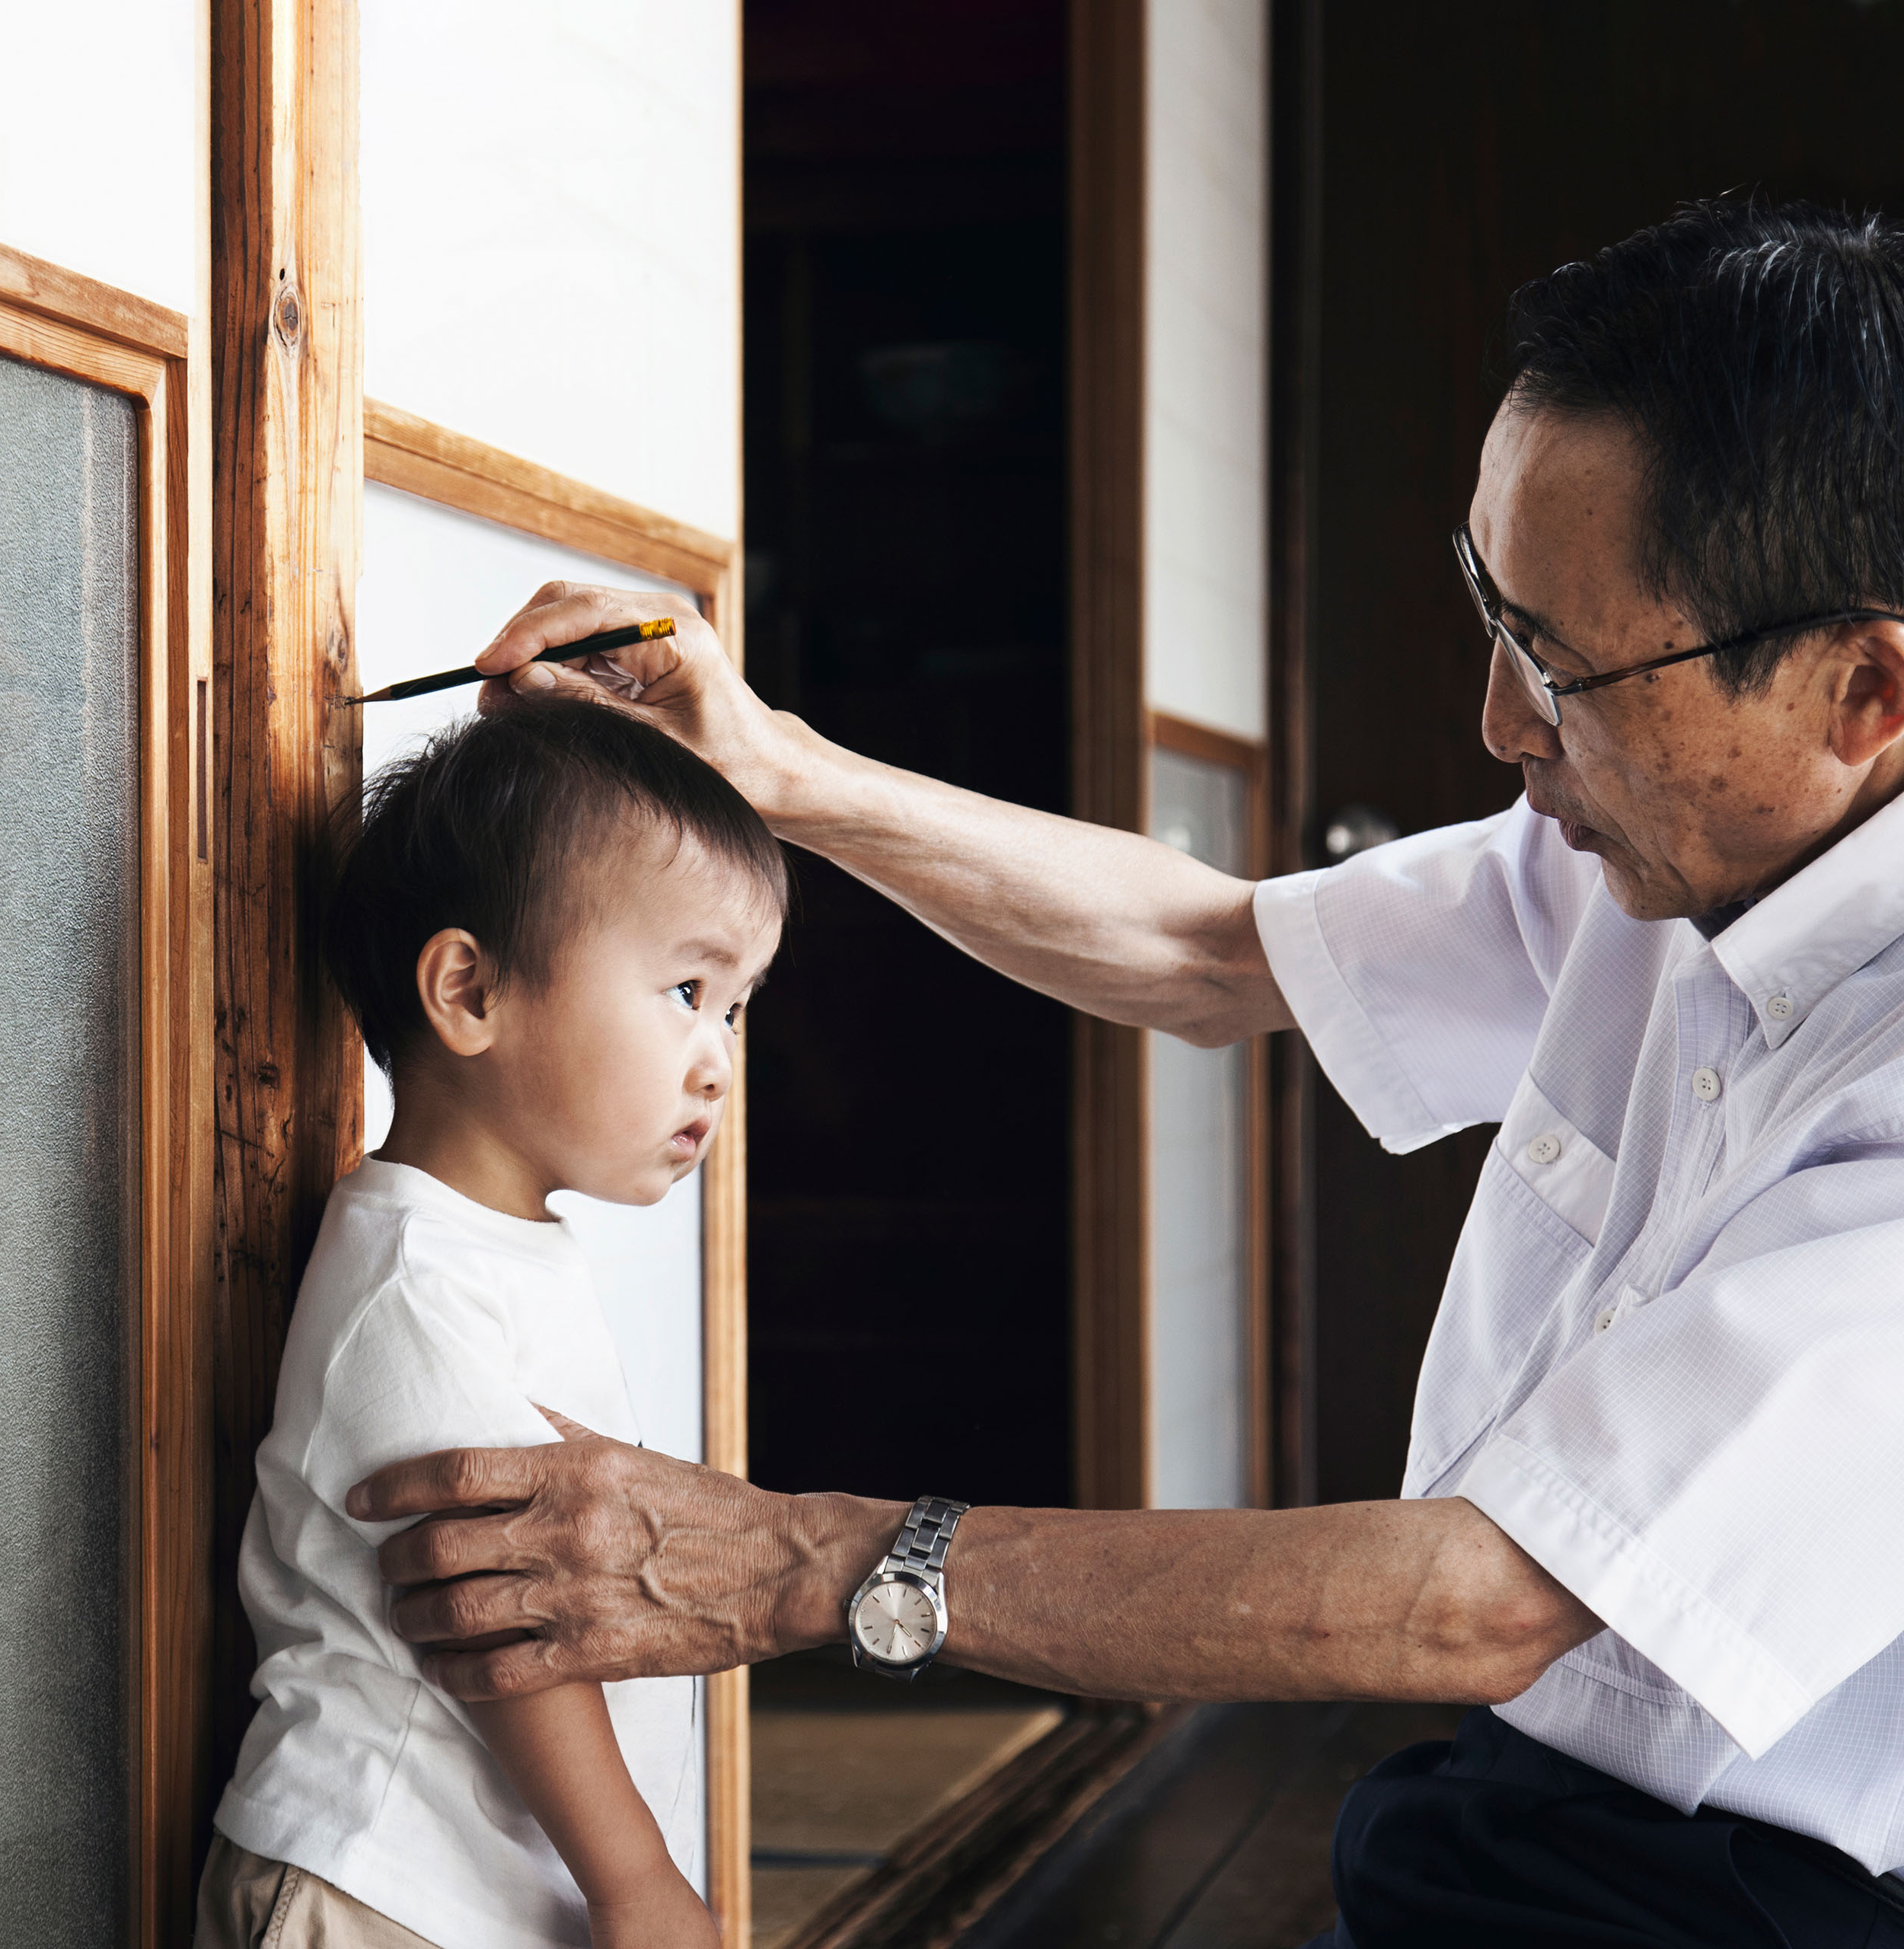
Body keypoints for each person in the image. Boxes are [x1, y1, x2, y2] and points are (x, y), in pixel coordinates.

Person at [342, 197, 1904, 1946]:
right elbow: (1214, 952)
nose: (1497, 722)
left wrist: (792, 1560)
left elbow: (1487, 1595)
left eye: (1563, 660)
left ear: (1865, 690)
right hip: (1496, 1814)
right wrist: (779, 766)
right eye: (1493, 606)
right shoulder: (1661, 843)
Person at [200, 700, 786, 1949]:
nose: (719, 1060)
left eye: (734, 1010)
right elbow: (505, 1604)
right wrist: (637, 1882)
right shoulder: (415, 1276)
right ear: (470, 989)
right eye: (687, 989)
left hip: (467, 1885)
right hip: (375, 1884)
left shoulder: (494, 1247)